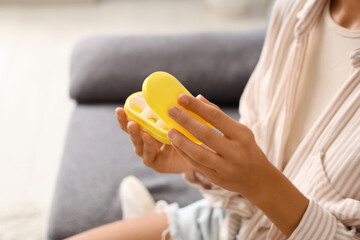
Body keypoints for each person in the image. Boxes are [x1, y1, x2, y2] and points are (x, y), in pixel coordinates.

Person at [67, 0, 360, 239]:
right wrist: (206, 161)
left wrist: (262, 184)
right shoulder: (295, 9)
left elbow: (261, 182)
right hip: (233, 223)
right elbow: (257, 162)